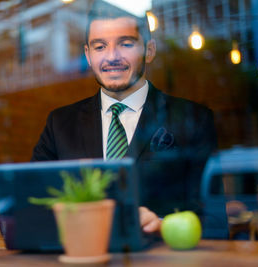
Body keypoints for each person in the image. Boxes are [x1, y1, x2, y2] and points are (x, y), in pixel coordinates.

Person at [32, 0, 227, 238]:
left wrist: (162, 225)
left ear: (150, 50)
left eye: (125, 43)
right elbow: (29, 210)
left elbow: (215, 219)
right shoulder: (60, 124)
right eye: (100, 46)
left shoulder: (193, 119)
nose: (112, 57)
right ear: (88, 55)